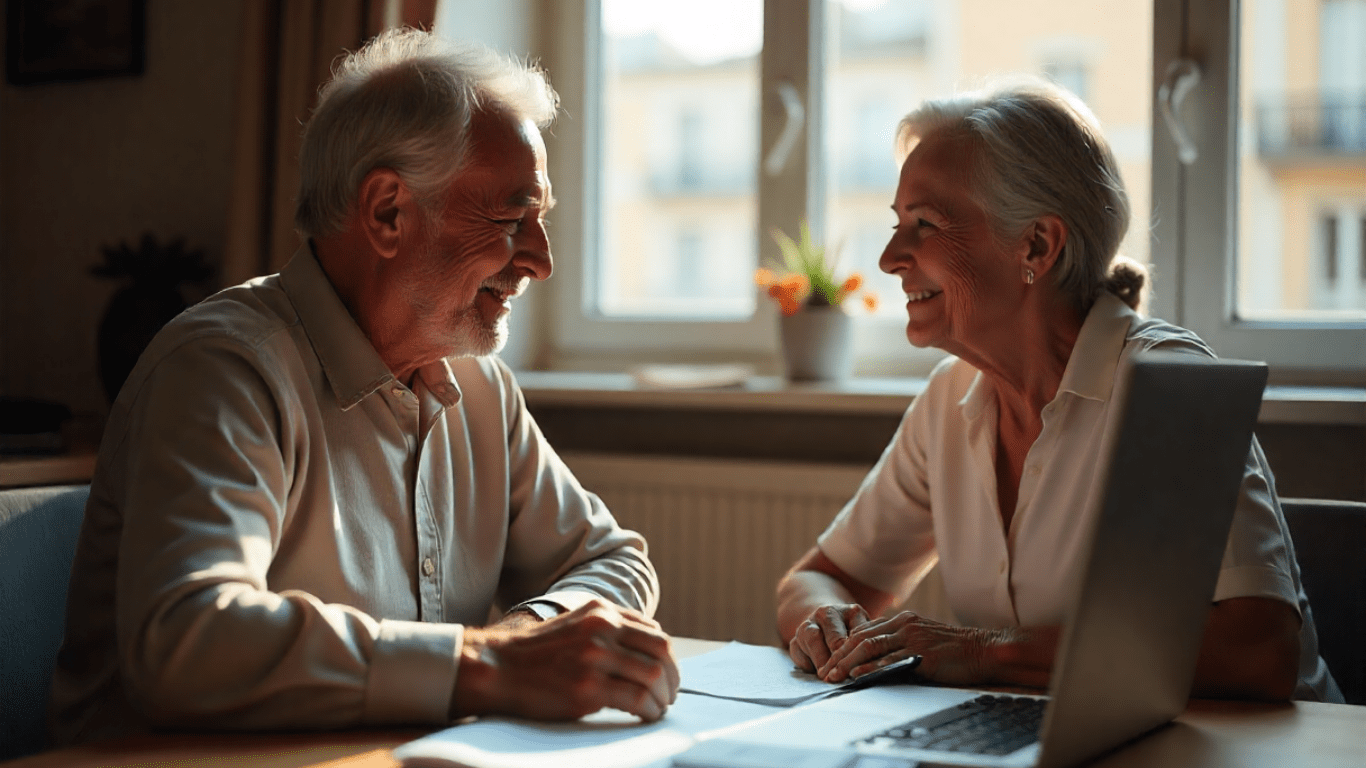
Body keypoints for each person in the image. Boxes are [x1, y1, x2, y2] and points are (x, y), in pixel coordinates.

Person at [49, 29, 679, 745]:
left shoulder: (480, 389)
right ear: (387, 213)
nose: (542, 260)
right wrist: (487, 664)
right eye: (511, 218)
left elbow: (611, 559)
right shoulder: (224, 368)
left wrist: (531, 634)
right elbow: (187, 636)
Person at [776, 79, 1342, 703]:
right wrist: (826, 623)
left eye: (925, 224)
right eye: (896, 223)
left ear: (1038, 246)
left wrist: (983, 652)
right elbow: (820, 579)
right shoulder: (951, 399)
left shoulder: (1168, 384)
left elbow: (1259, 649)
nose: (889, 257)